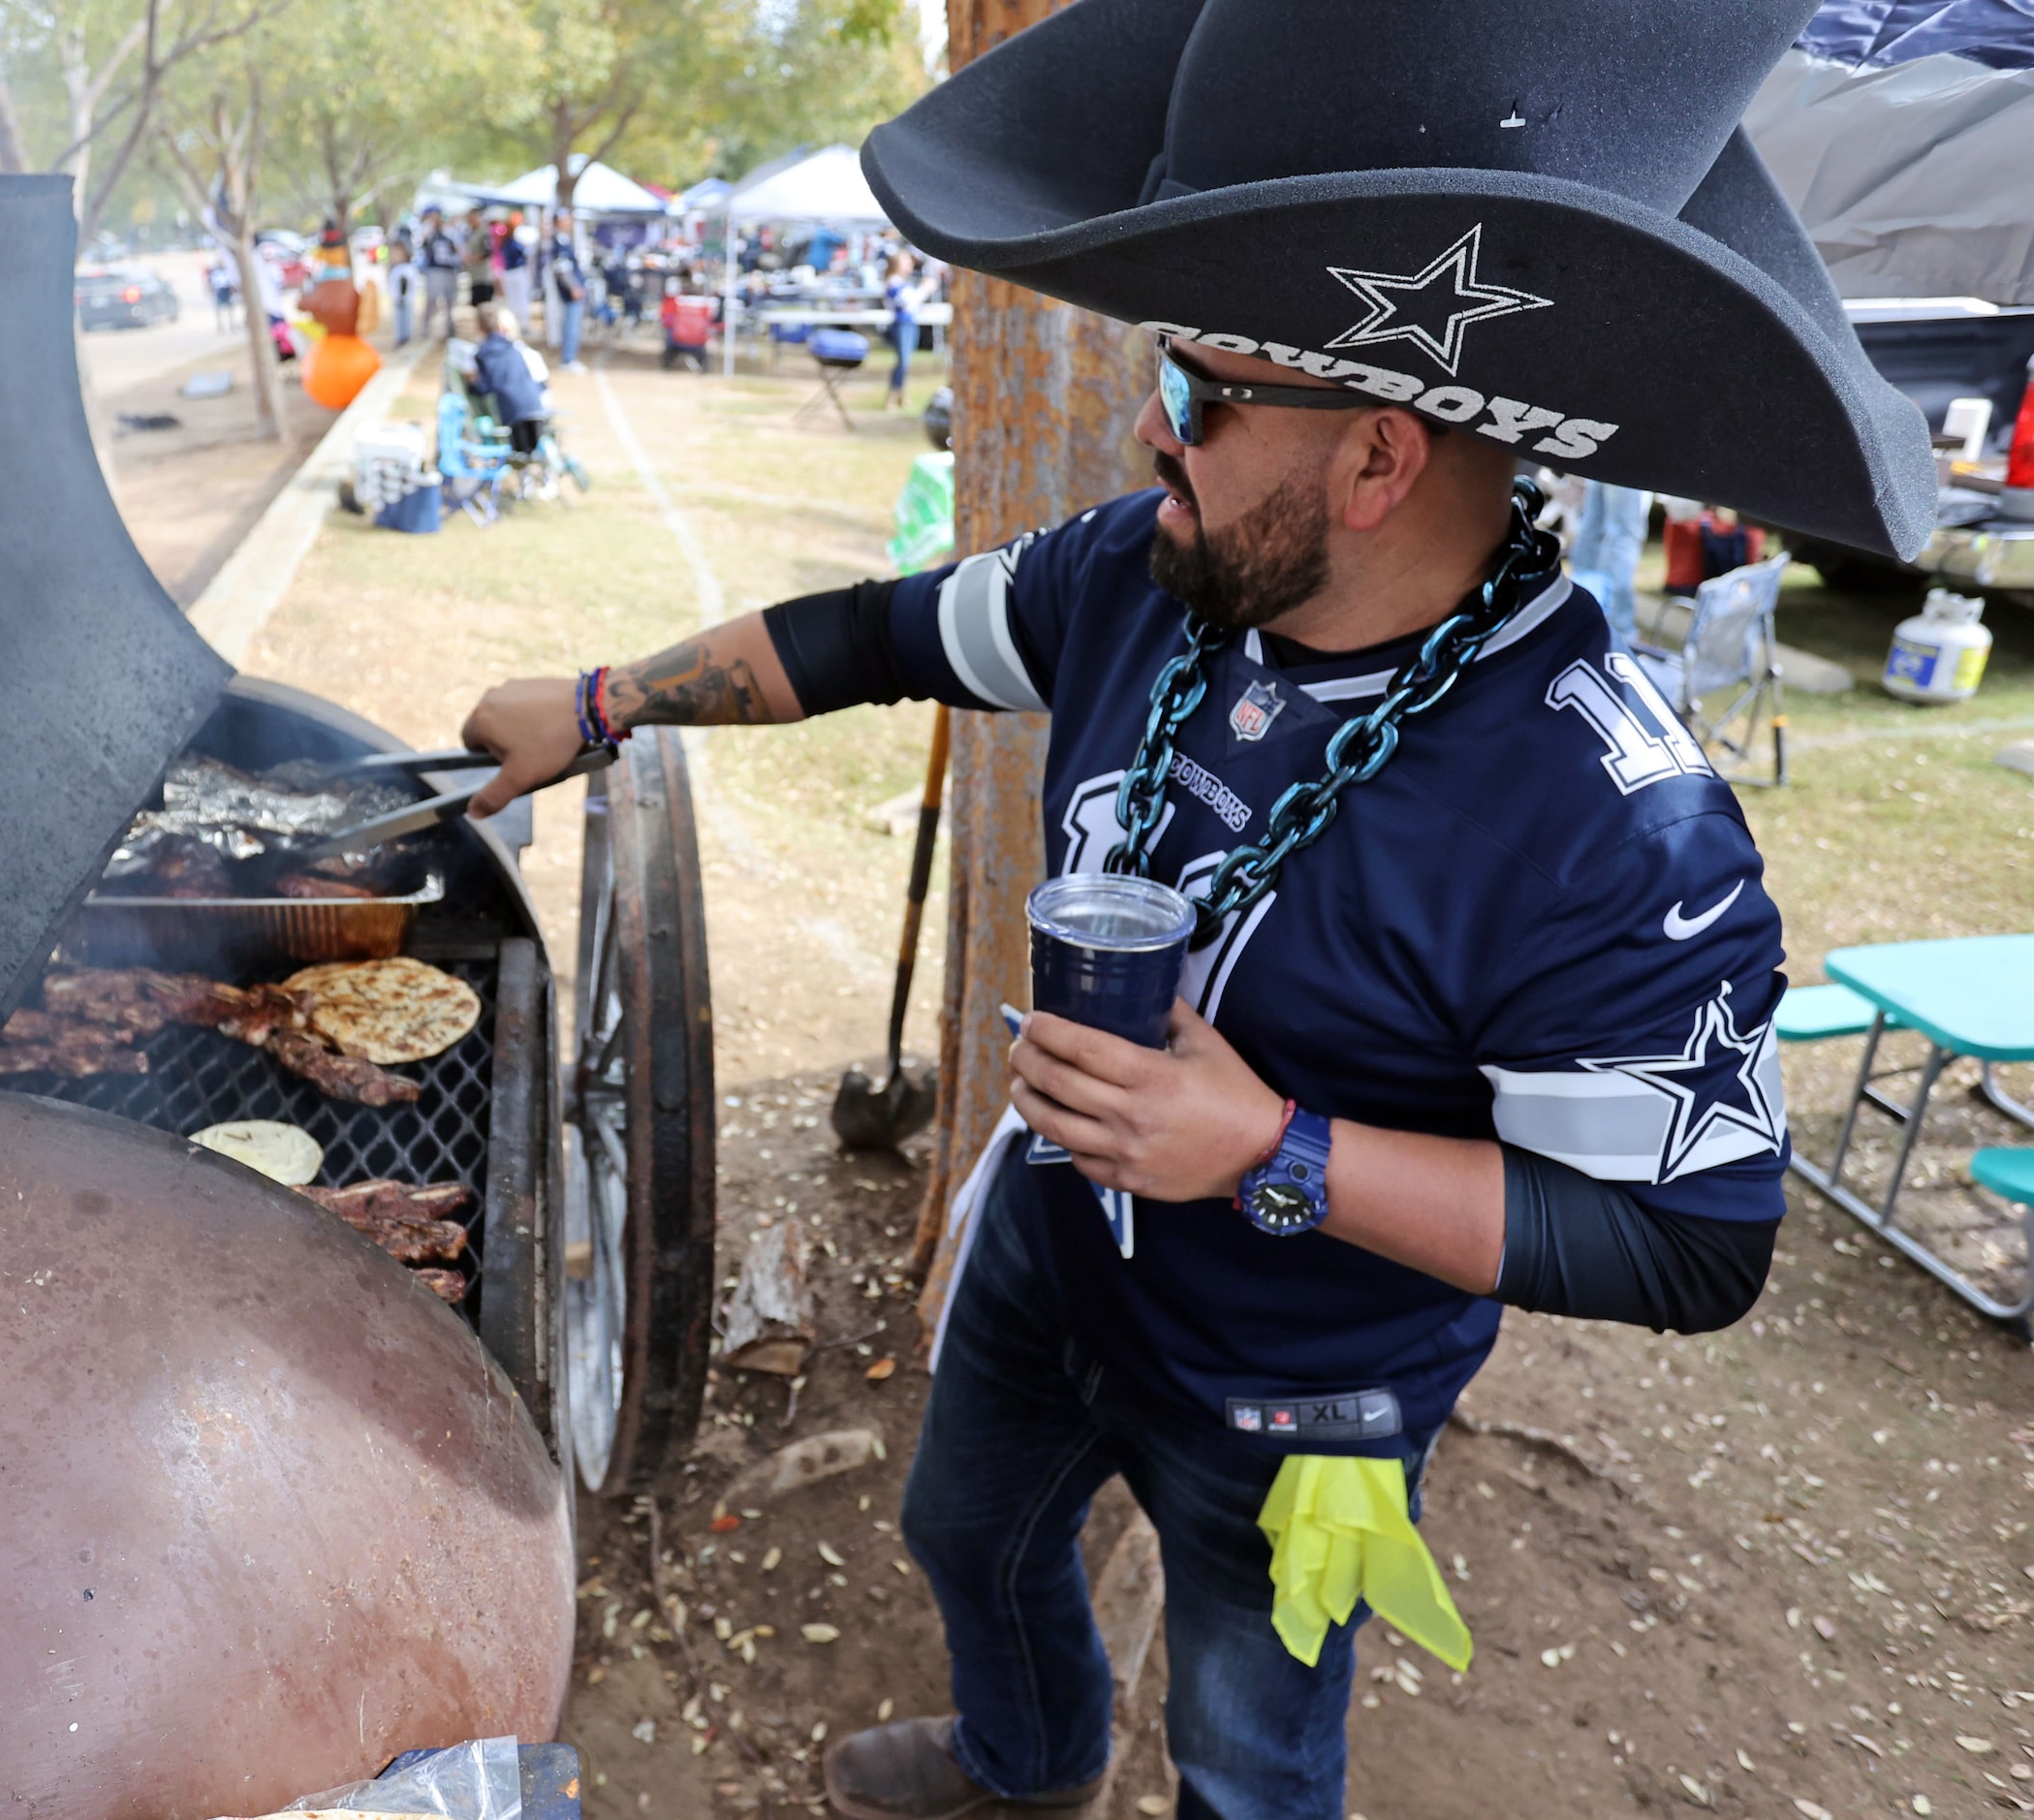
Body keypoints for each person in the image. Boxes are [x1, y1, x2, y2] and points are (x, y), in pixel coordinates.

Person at [458, 4, 1932, 1817]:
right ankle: (1027, 1768)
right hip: (1045, 1259)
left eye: (1197, 397)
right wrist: (597, 702)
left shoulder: (1606, 824)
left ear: (1379, 455)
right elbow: (867, 635)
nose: (1149, 435)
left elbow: (1686, 1245)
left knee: (1251, 1749)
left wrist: (1266, 1148)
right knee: (963, 1531)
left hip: (1305, 1396)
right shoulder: (1132, 580)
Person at [1572, 481, 1655, 646]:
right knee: (1622, 535)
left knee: (1592, 529)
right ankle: (1620, 628)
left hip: (1601, 460)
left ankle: (1579, 612)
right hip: (1631, 464)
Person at [470, 303, 548, 455]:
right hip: (535, 404)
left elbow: (484, 388)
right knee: (535, 451)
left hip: (512, 411)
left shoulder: (482, 354)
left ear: (478, 328)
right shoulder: (514, 347)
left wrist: (472, 382)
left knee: (521, 455)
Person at [883, 249, 931, 411]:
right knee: (902, 362)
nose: (910, 264)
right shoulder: (894, 282)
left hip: (909, 323)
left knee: (906, 362)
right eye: (905, 261)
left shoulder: (904, 282)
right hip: (901, 324)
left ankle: (901, 396)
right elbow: (907, 303)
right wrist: (925, 289)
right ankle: (892, 398)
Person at [543, 210, 586, 371]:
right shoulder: (558, 242)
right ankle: (568, 359)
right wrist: (573, 286)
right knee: (571, 325)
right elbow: (562, 269)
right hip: (569, 292)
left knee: (573, 324)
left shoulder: (564, 239)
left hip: (571, 290)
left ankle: (569, 357)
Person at [420, 208, 462, 340]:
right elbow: (422, 245)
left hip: (448, 270)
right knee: (432, 299)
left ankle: (450, 326)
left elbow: (458, 249)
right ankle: (425, 326)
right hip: (434, 271)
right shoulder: (429, 233)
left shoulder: (451, 233)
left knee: (449, 300)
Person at [498, 211, 534, 336]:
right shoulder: (512, 242)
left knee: (514, 301)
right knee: (520, 300)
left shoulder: (506, 241)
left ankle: (515, 325)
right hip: (516, 272)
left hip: (508, 273)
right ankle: (521, 325)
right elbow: (524, 254)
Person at [388, 234, 421, 349]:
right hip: (399, 299)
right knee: (400, 319)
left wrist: (402, 296)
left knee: (405, 318)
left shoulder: (406, 269)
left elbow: (404, 284)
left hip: (404, 299)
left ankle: (405, 337)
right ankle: (402, 336)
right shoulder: (397, 268)